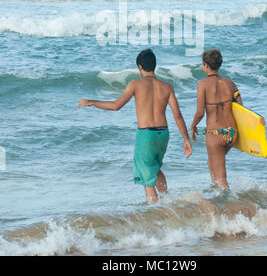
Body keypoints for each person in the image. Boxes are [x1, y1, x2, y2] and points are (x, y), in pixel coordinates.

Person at [78, 49, 192, 204]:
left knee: (147, 179)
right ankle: (168, 200)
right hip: (163, 134)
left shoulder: (135, 84)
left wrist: (91, 102)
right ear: (154, 65)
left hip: (146, 135)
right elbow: (177, 115)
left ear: (140, 66)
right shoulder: (167, 86)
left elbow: (116, 106)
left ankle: (155, 213)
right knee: (156, 168)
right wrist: (186, 139)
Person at [190, 49, 242, 189]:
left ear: (206, 65)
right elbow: (241, 108)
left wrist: (193, 125)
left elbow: (200, 112)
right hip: (232, 133)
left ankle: (229, 206)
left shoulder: (202, 84)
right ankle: (217, 198)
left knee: (222, 179)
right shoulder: (231, 84)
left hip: (216, 134)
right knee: (211, 162)